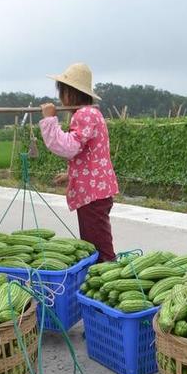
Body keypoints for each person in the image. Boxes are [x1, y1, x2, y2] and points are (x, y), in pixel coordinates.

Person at [39, 63, 118, 262]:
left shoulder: (85, 114)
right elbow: (90, 154)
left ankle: (108, 275)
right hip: (95, 191)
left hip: (92, 195)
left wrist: (50, 120)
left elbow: (69, 147)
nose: (60, 98)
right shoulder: (92, 114)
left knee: (98, 246)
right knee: (94, 241)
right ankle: (101, 274)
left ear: (70, 94)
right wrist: (71, 174)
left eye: (62, 92)